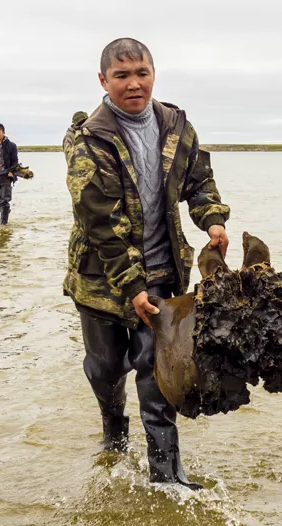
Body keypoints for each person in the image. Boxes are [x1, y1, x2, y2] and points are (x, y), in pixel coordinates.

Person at [62, 38, 230, 489]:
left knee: (158, 376)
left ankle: (168, 480)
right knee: (105, 367)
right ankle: (113, 434)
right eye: (121, 76)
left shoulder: (175, 124)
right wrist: (130, 286)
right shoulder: (88, 140)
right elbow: (100, 222)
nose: (133, 84)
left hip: (163, 275)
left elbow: (200, 180)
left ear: (154, 74)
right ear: (103, 81)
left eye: (142, 73)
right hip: (102, 280)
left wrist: (212, 219)